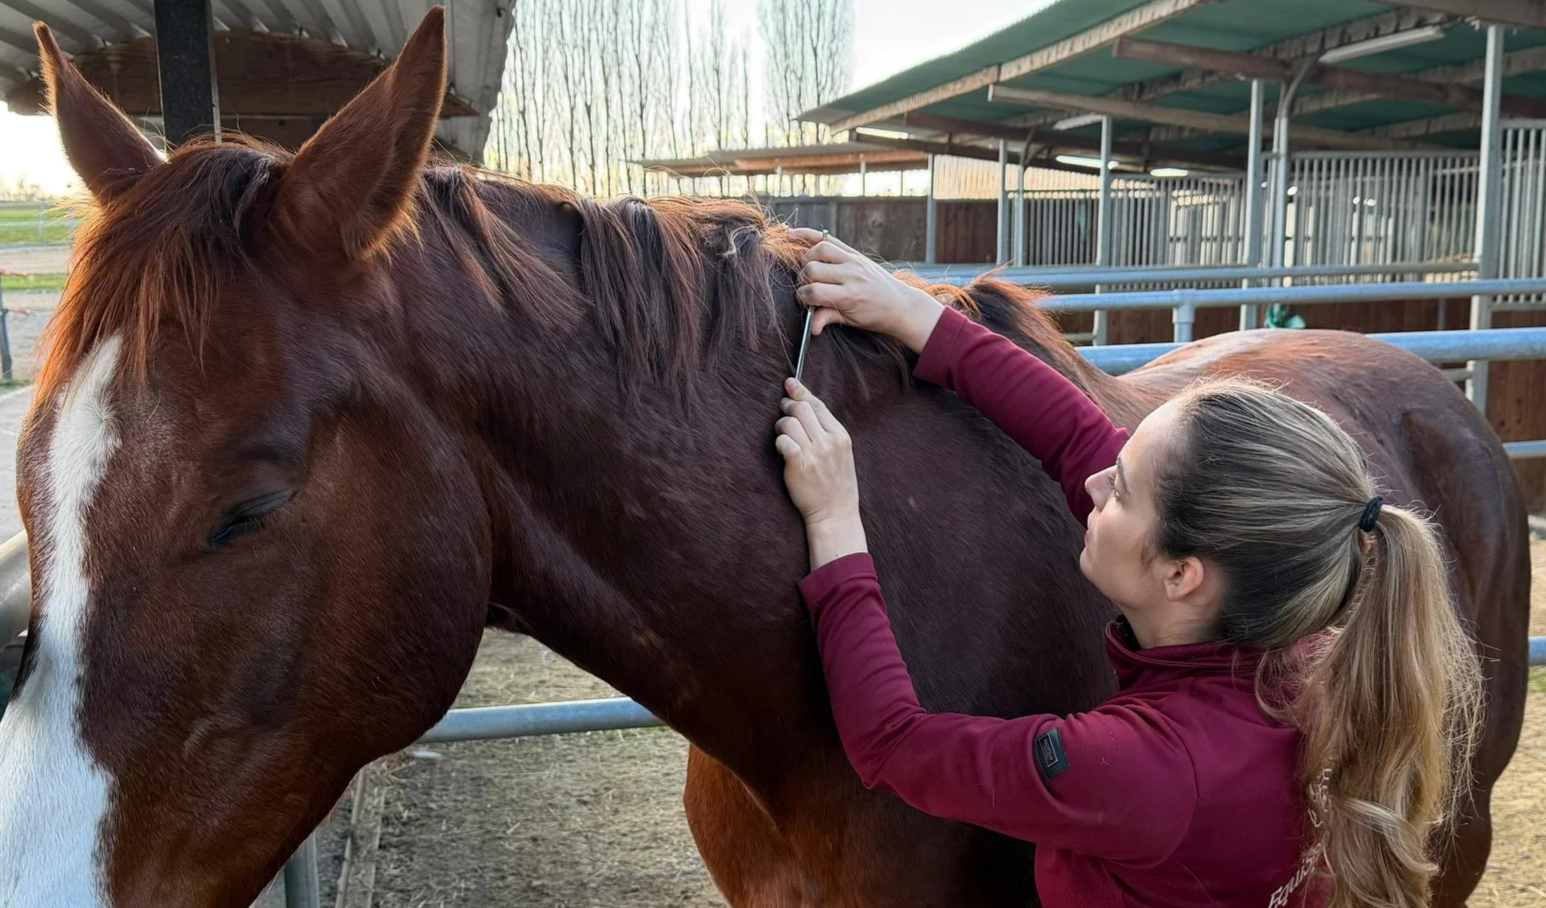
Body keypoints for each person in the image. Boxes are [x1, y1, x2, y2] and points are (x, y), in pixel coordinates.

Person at [772, 228, 1482, 908]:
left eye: (1122, 490)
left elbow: (894, 743)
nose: (1091, 486)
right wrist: (913, 313)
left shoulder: (1142, 769)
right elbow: (1075, 432)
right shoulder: (1304, 652)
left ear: (1182, 575)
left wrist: (835, 518)